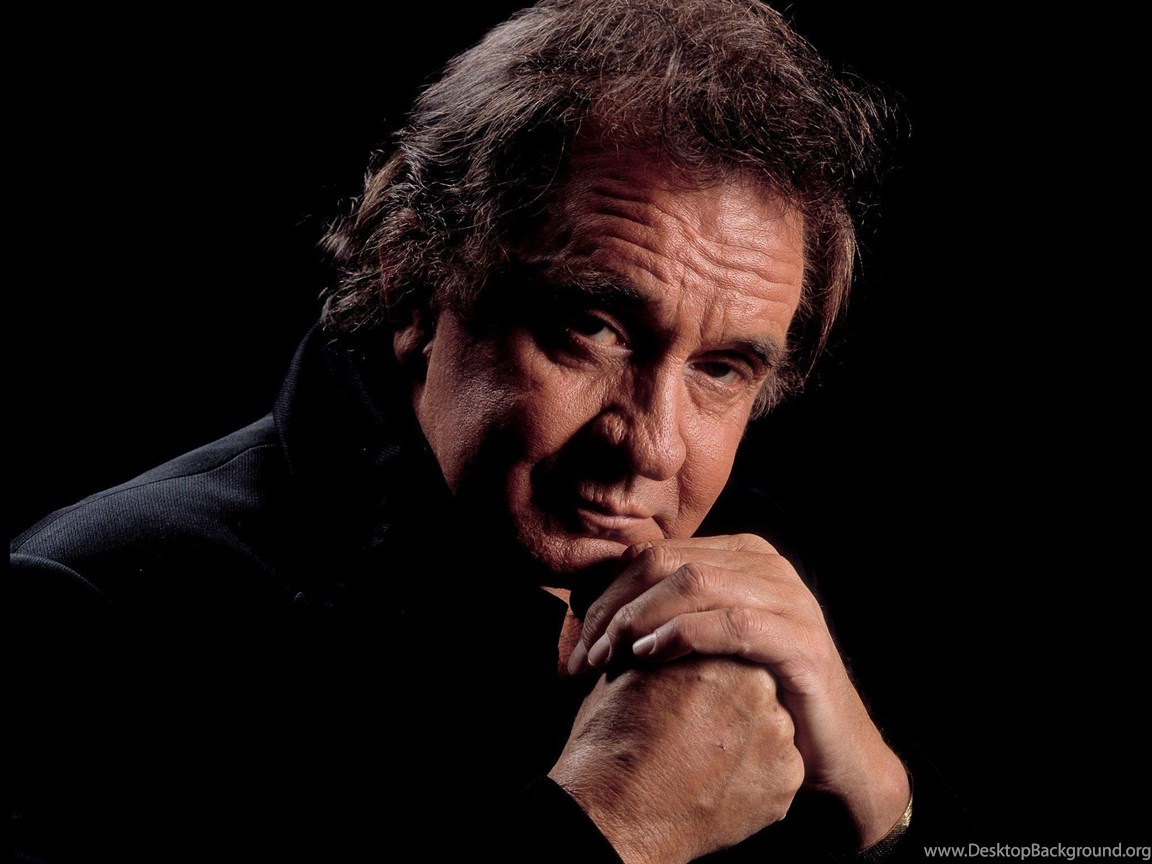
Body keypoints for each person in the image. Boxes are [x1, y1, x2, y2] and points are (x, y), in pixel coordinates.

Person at [9, 1, 952, 861]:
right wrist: (609, 826)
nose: (653, 447)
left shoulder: (766, 582)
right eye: (593, 328)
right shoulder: (91, 607)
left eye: (721, 369)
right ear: (414, 286)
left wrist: (885, 806)